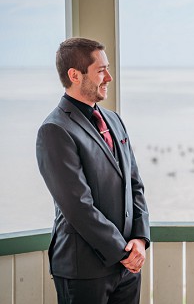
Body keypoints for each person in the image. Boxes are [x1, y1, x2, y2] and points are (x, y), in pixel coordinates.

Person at [36, 37, 150, 304]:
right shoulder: (55, 130)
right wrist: (122, 252)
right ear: (75, 75)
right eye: (100, 70)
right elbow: (78, 206)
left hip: (128, 266)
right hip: (83, 270)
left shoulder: (114, 119)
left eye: (107, 68)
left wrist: (140, 240)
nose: (109, 77)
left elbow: (134, 184)